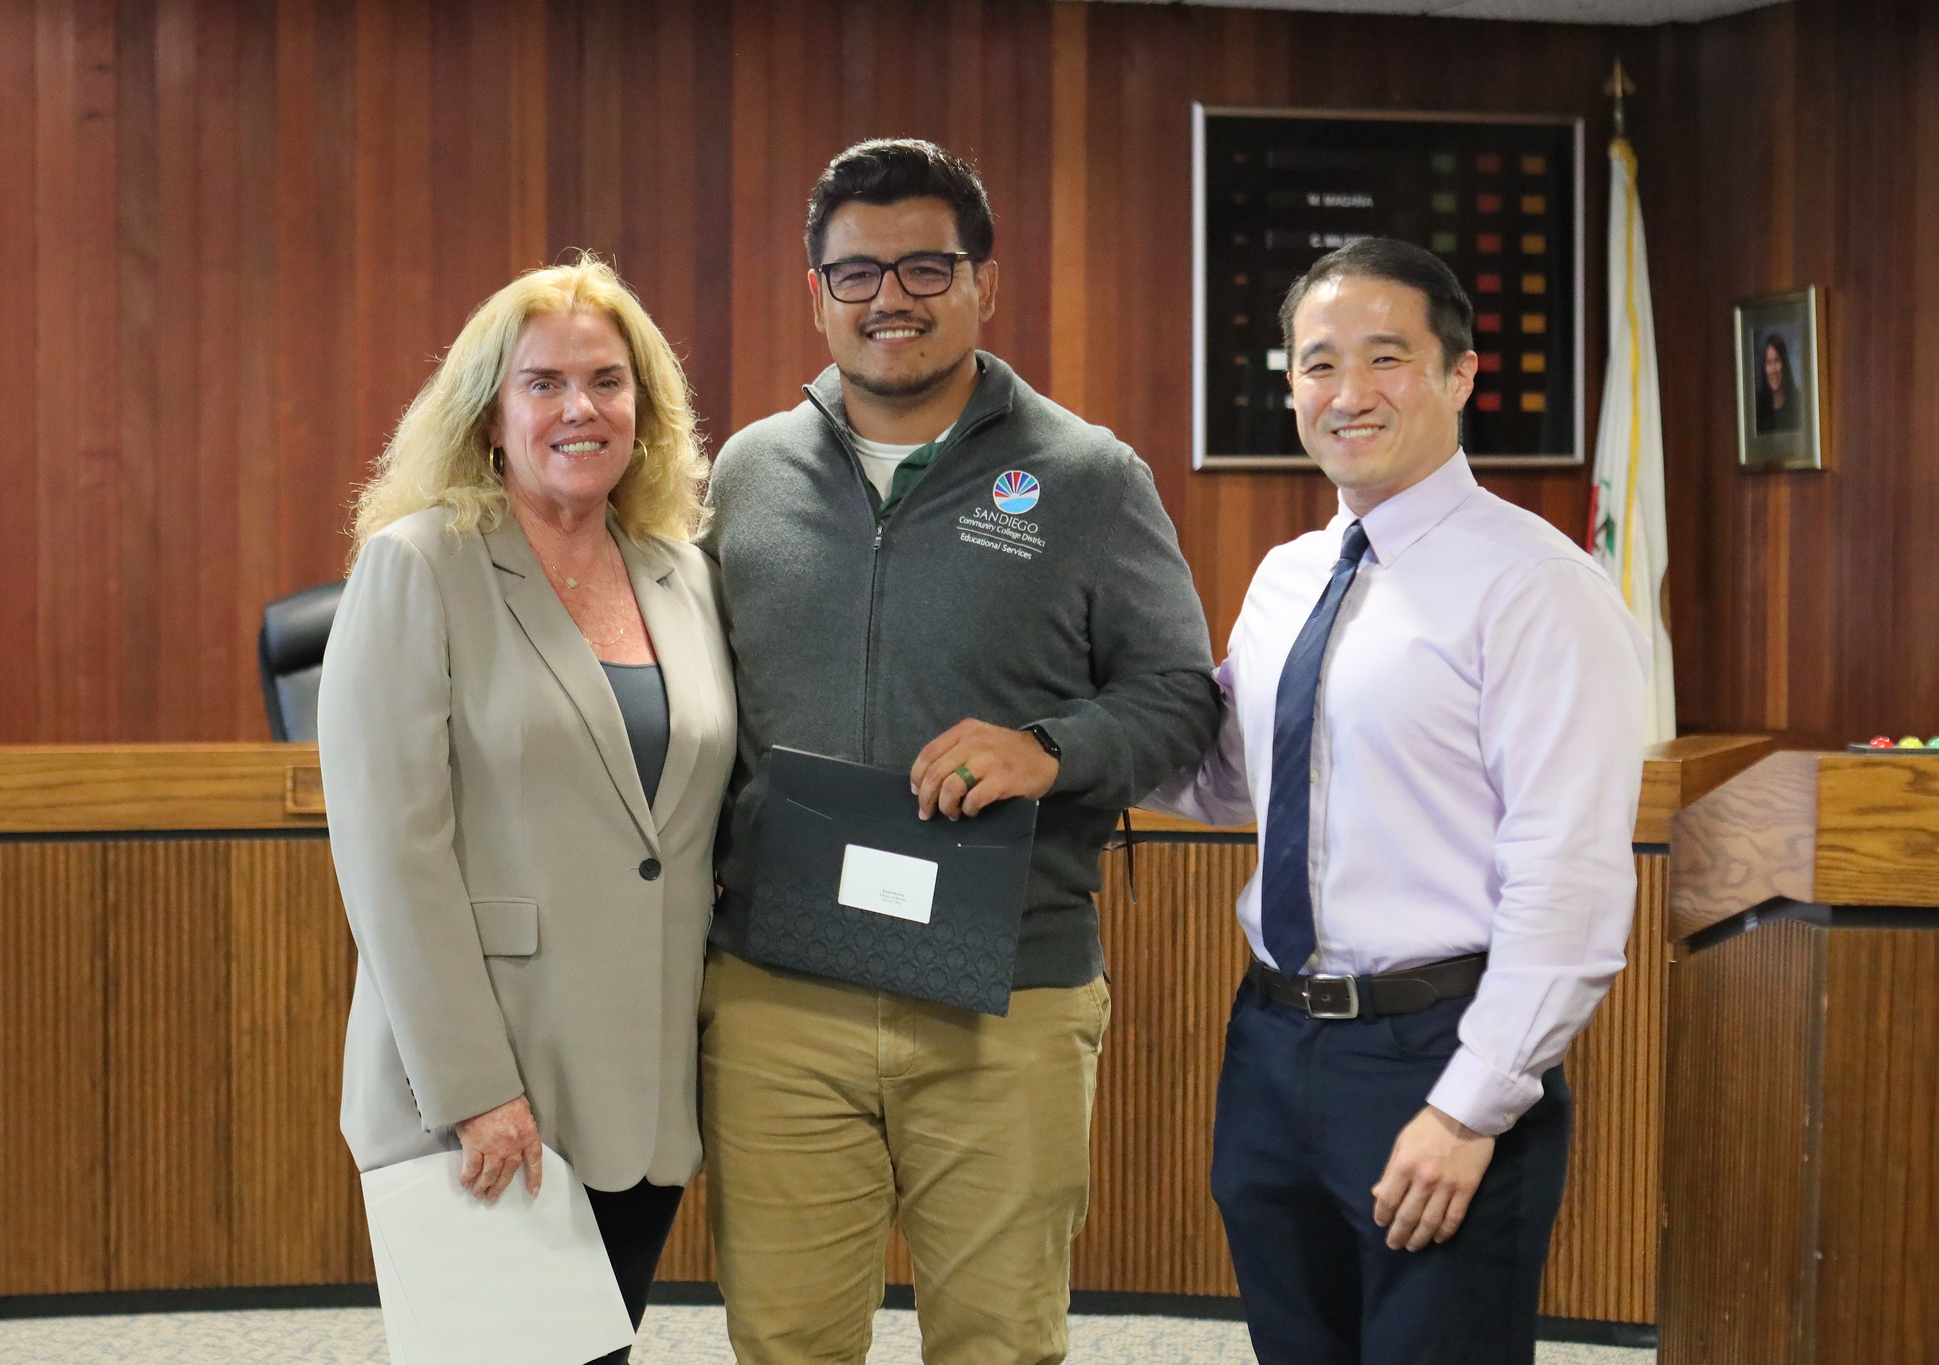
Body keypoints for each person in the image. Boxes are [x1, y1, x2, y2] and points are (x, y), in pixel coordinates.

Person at [699, 138, 1219, 1364]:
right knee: (783, 1343)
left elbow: (1177, 699)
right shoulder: (745, 477)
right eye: (857, 272)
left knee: (996, 1342)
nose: (891, 298)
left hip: (1005, 996)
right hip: (782, 995)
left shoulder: (1086, 477)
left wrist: (1053, 748)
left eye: (928, 266)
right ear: (814, 295)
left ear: (988, 283)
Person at [1149, 237, 1648, 1365]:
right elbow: (1238, 784)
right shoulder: (1287, 578)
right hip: (1271, 1047)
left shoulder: (1535, 587)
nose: (1349, 393)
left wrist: (1470, 1106)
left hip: (1436, 1046)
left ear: (1459, 375)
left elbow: (1564, 872)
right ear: (1288, 387)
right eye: (1318, 364)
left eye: (1387, 358)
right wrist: (1066, 733)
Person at [318, 257, 736, 1364]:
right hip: (492, 1081)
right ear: (490, 414)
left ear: (644, 410)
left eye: (606, 380)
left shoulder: (680, 573)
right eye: (542, 383)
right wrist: (473, 1089)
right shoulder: (420, 566)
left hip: (642, 1082)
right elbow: (390, 852)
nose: (577, 409)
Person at [1755, 331, 1801, 433]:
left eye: (1777, 361)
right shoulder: (1757, 408)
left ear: (1784, 364)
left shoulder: (1798, 402)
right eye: (1769, 363)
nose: (1773, 370)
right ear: (1764, 368)